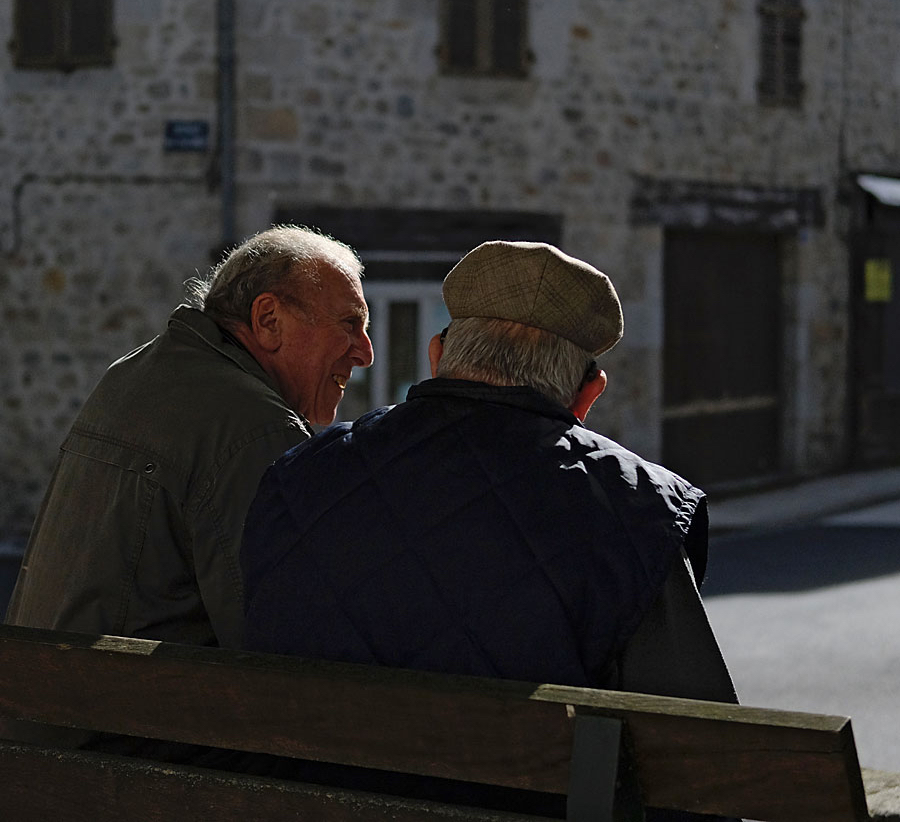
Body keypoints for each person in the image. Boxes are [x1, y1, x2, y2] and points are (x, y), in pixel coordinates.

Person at [239, 240, 737, 816]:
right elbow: (702, 764)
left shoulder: (297, 477)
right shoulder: (637, 509)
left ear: (436, 356)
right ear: (588, 396)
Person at [5, 224, 373, 651]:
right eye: (349, 323)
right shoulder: (255, 426)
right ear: (269, 320)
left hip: (42, 702)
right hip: (122, 712)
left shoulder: (133, 372)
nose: (365, 352)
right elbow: (282, 645)